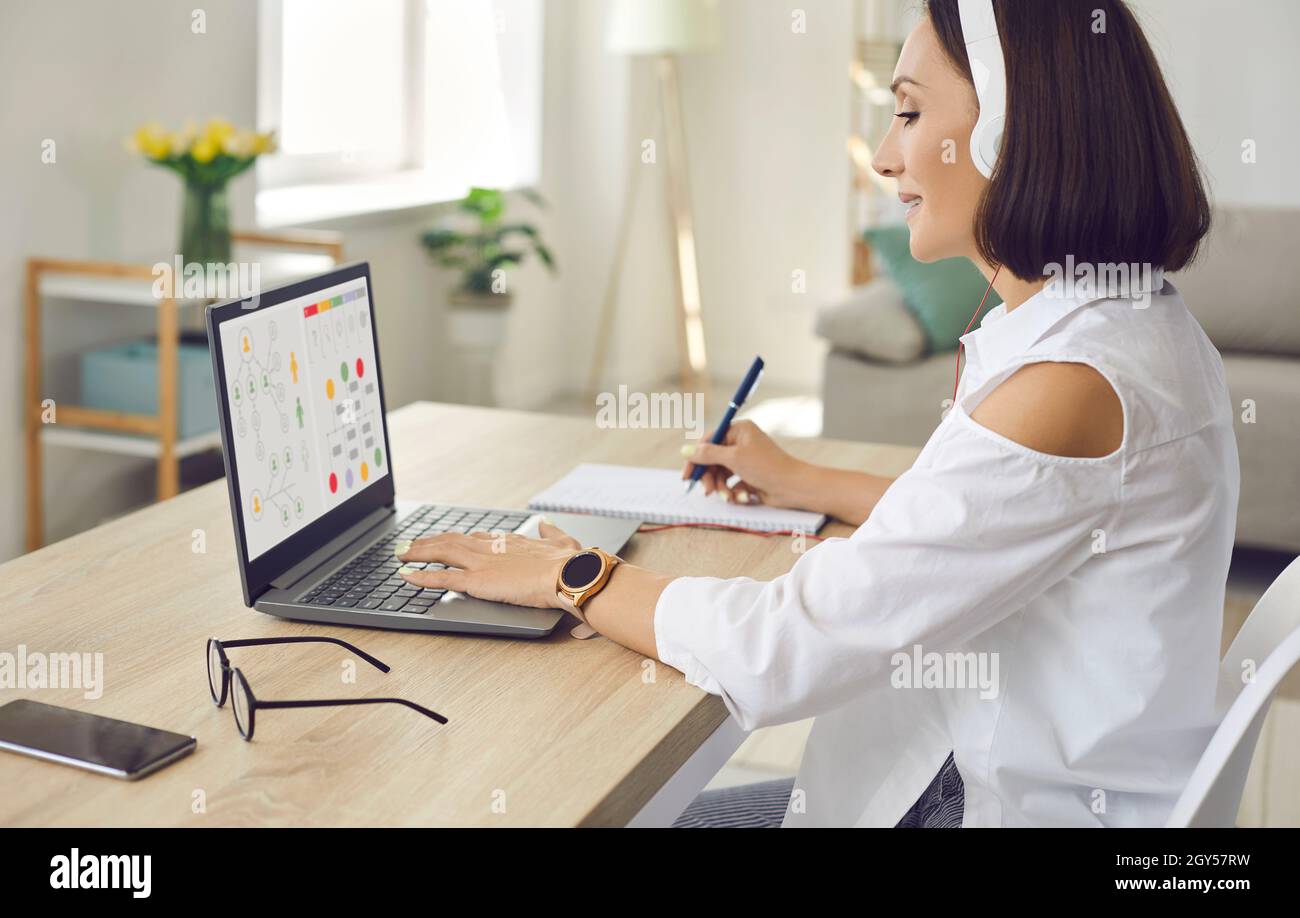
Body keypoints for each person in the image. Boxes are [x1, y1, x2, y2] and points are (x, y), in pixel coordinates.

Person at [395, 0, 1237, 827]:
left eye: (908, 113)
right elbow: (983, 514)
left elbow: (786, 650)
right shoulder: (1135, 324)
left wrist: (572, 575)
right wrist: (802, 481)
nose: (882, 156)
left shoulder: (1071, 382)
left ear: (1010, 134)